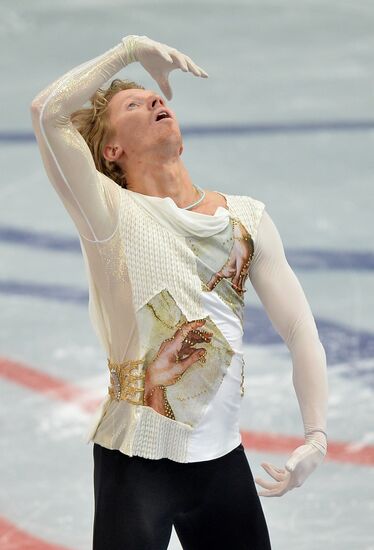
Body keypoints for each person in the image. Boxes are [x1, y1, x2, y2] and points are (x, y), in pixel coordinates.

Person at [30, 34, 329, 550]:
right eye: (133, 103)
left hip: (222, 466)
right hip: (135, 465)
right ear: (112, 150)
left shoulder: (245, 218)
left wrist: (316, 435)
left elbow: (301, 330)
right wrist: (126, 50)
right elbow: (46, 112)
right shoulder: (109, 213)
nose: (153, 99)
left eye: (155, 97)